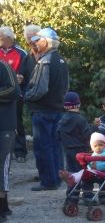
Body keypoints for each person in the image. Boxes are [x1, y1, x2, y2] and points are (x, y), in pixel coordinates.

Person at [24, 27, 69, 191]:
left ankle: (48, 181)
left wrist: (25, 96)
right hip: (57, 109)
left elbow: (40, 89)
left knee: (43, 146)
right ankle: (58, 178)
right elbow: (66, 86)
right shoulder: (61, 60)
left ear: (46, 42)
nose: (35, 43)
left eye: (38, 40)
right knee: (55, 145)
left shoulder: (45, 61)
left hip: (43, 110)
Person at [56, 91, 92, 203]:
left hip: (69, 151)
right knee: (85, 173)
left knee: (72, 174)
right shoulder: (80, 119)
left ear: (65, 106)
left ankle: (72, 196)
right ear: (78, 104)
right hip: (82, 151)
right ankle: (87, 196)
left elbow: (57, 135)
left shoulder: (62, 120)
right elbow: (87, 135)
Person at [0, 26, 27, 163]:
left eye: (0, 37)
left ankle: (20, 150)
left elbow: (25, 73)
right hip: (2, 90)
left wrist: (20, 78)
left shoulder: (21, 53)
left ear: (8, 38)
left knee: (16, 122)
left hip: (15, 93)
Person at [0, 59, 20, 222]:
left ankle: (2, 206)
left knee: (2, 165)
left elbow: (14, 90)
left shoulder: (3, 67)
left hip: (4, 125)